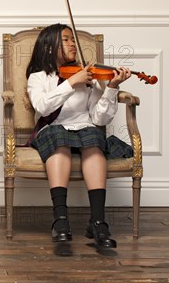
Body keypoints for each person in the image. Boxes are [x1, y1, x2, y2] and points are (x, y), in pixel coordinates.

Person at [25, 23, 131, 249]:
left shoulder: (89, 77)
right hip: (53, 128)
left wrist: (111, 87)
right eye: (66, 40)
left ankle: (98, 222)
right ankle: (60, 220)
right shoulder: (39, 77)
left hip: (83, 127)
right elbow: (43, 108)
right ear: (49, 47)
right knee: (59, 141)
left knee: (94, 141)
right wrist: (72, 82)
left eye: (73, 39)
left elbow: (99, 119)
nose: (73, 44)